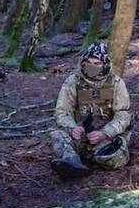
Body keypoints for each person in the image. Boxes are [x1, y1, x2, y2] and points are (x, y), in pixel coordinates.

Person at [49, 42, 133, 178]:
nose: (92, 66)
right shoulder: (72, 82)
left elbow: (123, 115)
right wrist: (72, 128)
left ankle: (95, 159)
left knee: (115, 159)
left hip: (105, 136)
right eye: (88, 62)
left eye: (97, 63)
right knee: (57, 134)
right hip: (80, 134)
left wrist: (105, 133)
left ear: (105, 64)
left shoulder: (116, 83)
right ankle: (72, 162)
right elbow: (62, 112)